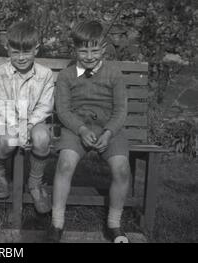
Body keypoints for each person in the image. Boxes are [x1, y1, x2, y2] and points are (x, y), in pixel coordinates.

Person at [49, 20, 131, 243]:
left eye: (95, 50)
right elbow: (63, 110)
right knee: (65, 163)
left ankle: (114, 223)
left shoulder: (114, 74)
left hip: (109, 130)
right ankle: (57, 223)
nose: (89, 56)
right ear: (75, 49)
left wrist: (108, 133)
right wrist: (81, 129)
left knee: (122, 168)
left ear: (103, 48)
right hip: (76, 129)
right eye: (83, 50)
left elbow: (121, 110)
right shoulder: (66, 76)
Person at [0, 21, 55, 214]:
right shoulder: (1, 72)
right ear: (8, 49)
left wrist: (29, 125)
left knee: (42, 138)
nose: (20, 58)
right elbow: (3, 103)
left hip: (35, 120)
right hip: (7, 119)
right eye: (15, 52)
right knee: (9, 140)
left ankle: (35, 183)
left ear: (36, 49)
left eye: (26, 52)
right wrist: (18, 127)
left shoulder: (45, 74)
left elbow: (46, 105)